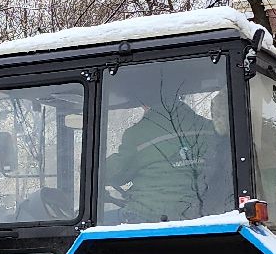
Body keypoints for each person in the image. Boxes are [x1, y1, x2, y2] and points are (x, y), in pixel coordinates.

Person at [100, 60, 233, 223]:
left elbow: (119, 171)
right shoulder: (208, 128)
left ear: (144, 101)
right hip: (200, 213)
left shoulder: (138, 134)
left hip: (151, 215)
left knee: (94, 222)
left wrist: (94, 170)